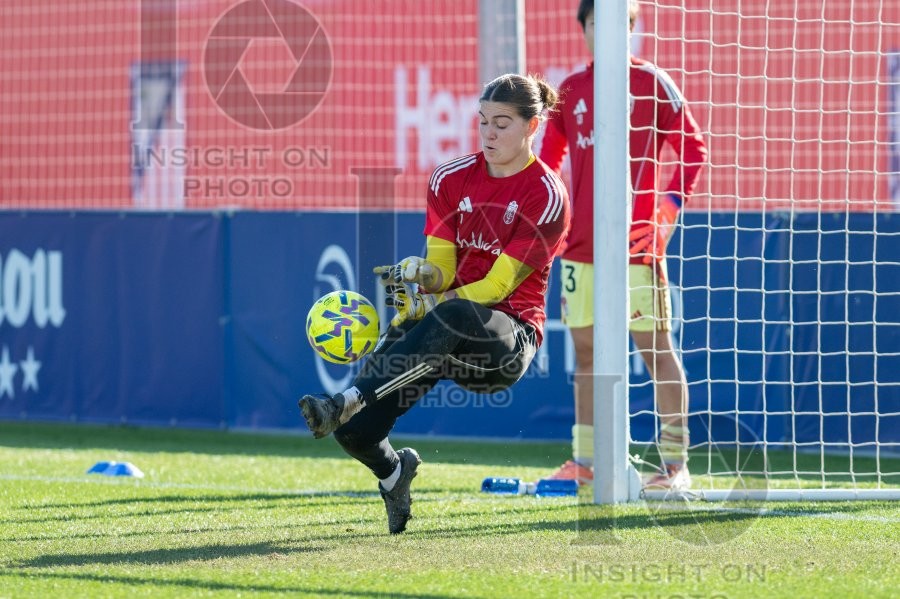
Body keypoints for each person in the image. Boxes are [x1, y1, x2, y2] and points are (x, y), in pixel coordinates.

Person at [298, 73, 570, 534]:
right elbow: (441, 268)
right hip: (442, 329)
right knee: (354, 432)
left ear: (533, 126)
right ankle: (393, 475)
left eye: (502, 123)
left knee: (455, 313)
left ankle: (345, 399)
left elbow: (498, 286)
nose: (488, 133)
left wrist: (433, 301)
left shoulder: (545, 195)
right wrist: (421, 273)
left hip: (503, 341)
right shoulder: (449, 178)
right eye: (483, 121)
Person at [539, 0, 708, 489]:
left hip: (636, 245)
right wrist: (551, 224)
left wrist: (668, 209)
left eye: (615, 25)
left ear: (630, 30)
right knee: (587, 354)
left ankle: (674, 464)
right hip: (579, 249)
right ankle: (586, 461)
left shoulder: (652, 83)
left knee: (655, 350)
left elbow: (693, 149)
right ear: (584, 30)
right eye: (595, 25)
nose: (604, 34)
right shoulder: (569, 90)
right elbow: (548, 167)